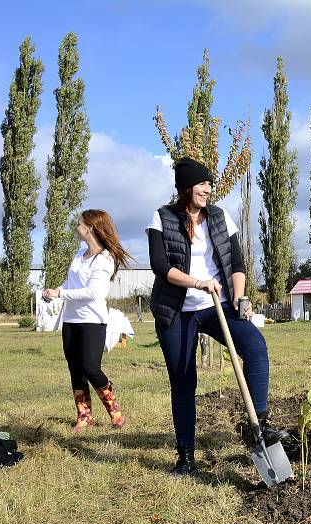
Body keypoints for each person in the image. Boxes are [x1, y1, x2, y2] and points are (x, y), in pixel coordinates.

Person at [147, 157, 288, 478]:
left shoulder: (221, 218)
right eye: (202, 184)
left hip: (218, 305)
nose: (208, 189)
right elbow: (160, 266)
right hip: (177, 308)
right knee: (183, 380)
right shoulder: (162, 218)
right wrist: (198, 282)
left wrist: (240, 297)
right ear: (185, 187)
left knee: (255, 346)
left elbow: (237, 264)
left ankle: (259, 426)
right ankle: (185, 456)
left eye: (210, 184)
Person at [42, 209, 133, 432]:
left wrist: (60, 295)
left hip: (93, 321)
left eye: (79, 223)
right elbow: (71, 284)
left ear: (90, 228)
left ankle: (114, 410)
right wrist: (55, 291)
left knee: (91, 368)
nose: (77, 227)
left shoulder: (104, 259)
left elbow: (93, 293)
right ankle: (84, 416)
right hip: (71, 320)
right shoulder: (79, 256)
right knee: (75, 369)